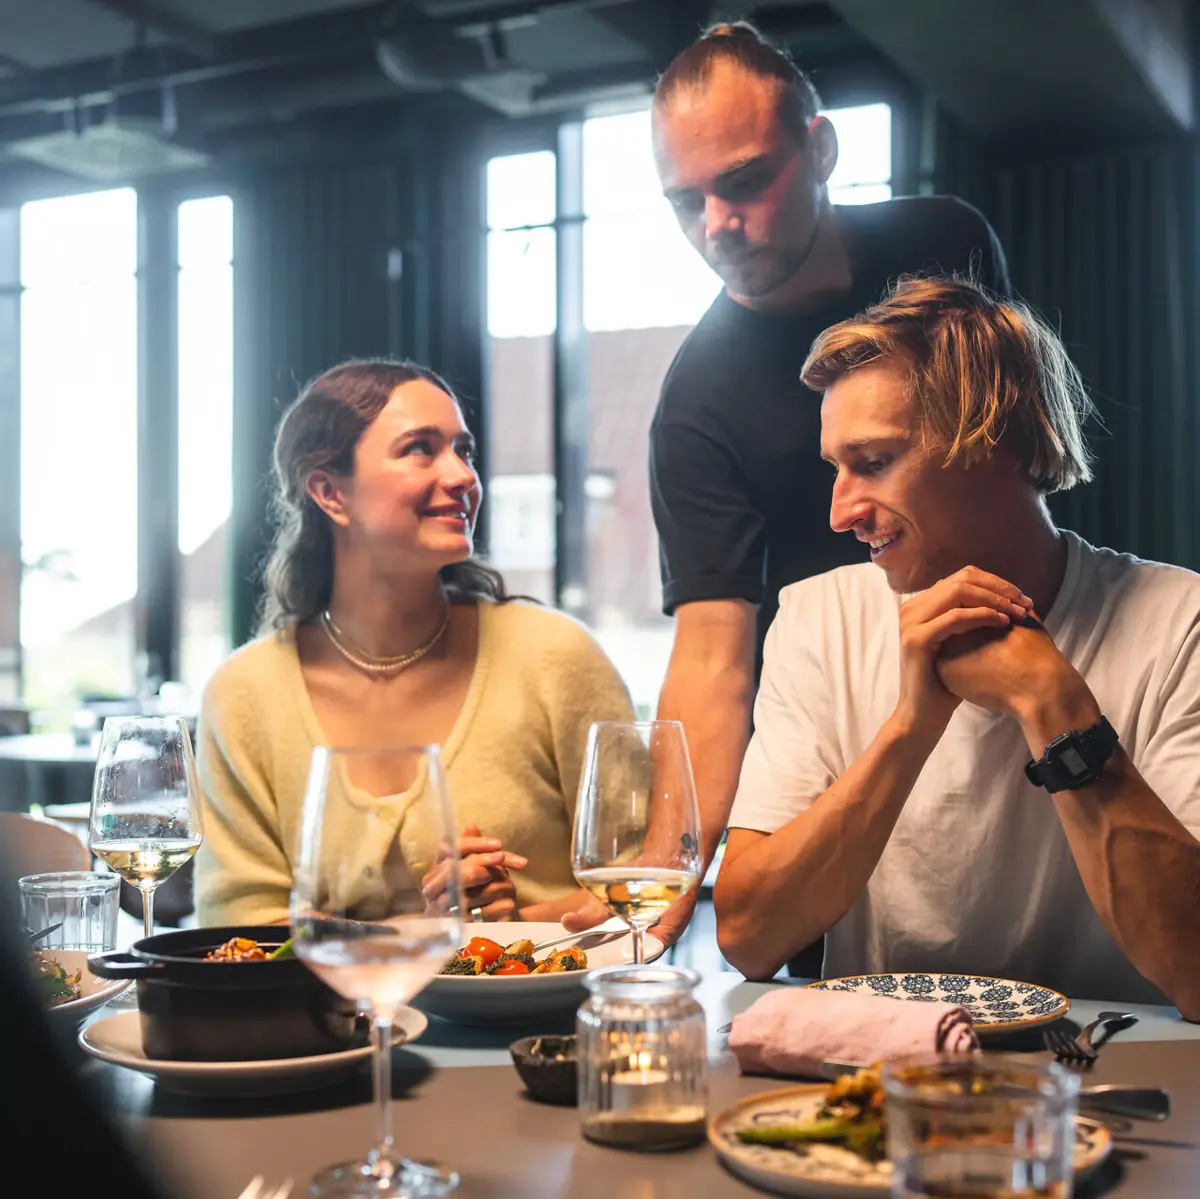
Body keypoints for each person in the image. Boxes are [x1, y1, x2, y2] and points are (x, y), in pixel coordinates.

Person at [715, 275, 1200, 1016]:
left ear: (996, 442)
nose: (841, 511)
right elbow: (747, 937)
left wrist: (1053, 702)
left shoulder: (1179, 621)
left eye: (873, 462)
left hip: (1110, 1085)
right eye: (835, 469)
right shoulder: (817, 619)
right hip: (881, 1082)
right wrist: (911, 725)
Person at [647, 21, 1012, 958]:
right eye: (685, 201)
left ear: (822, 148)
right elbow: (713, 656)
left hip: (1009, 648)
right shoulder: (696, 402)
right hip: (836, 731)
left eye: (744, 181)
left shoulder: (946, 242)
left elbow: (1008, 457)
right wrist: (660, 874)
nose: (716, 226)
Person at [194, 358, 634, 927]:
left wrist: (514, 926)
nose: (462, 476)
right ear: (330, 493)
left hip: (544, 1015)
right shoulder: (243, 695)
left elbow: (641, 883)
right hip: (316, 1018)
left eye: (464, 450)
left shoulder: (556, 658)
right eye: (420, 449)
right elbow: (240, 929)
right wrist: (425, 935)